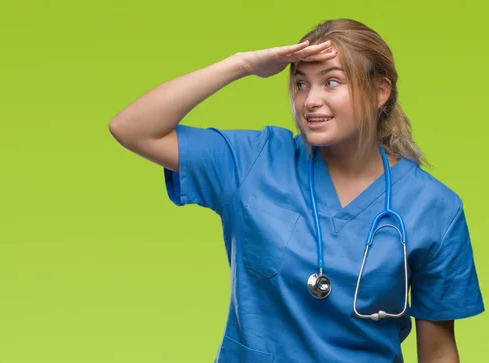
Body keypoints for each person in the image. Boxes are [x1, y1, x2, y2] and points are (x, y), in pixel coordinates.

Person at [108, 18, 484, 362]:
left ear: (379, 92)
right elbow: (132, 129)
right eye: (300, 83)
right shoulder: (253, 161)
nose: (310, 100)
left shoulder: (434, 207)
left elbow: (438, 351)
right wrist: (242, 65)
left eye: (331, 82)